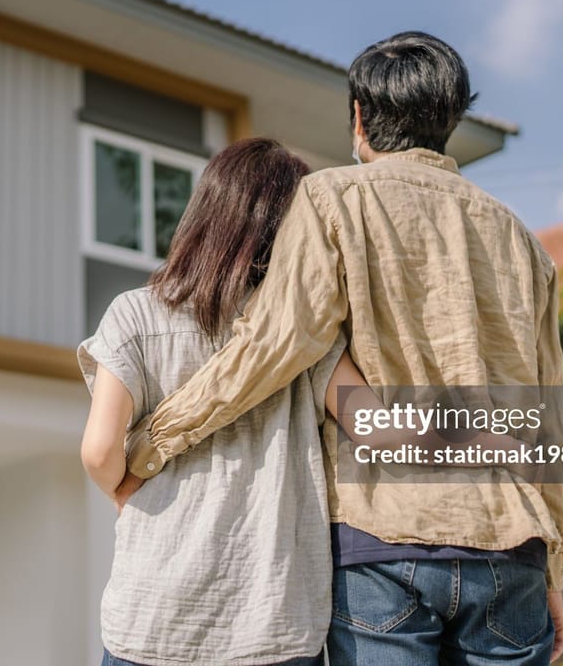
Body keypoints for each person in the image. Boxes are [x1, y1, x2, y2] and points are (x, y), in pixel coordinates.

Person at [121, 31, 563, 665]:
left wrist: (155, 439)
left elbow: (275, 345)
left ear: (359, 117)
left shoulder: (331, 199)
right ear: (450, 119)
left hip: (382, 544)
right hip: (511, 544)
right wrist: (554, 566)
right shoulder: (521, 239)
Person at [79, 137, 361, 666]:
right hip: (274, 625)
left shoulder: (134, 315)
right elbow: (374, 424)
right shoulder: (303, 333)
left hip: (153, 623)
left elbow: (98, 452)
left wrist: (123, 491)